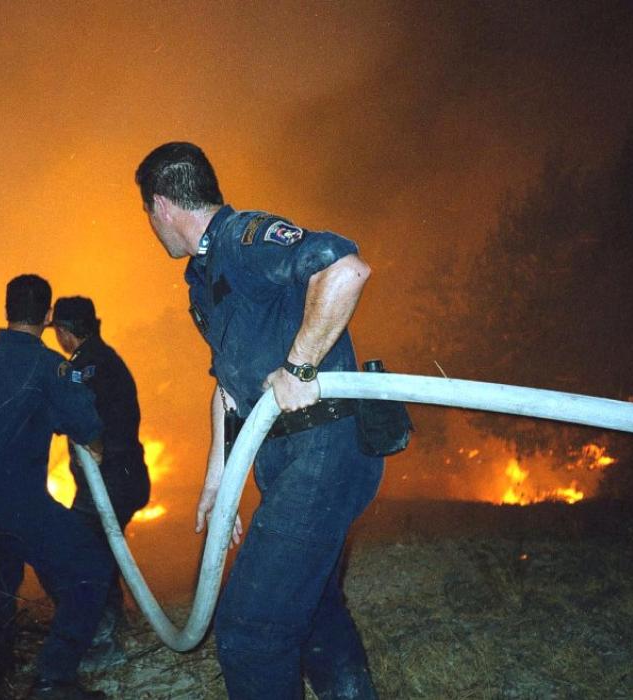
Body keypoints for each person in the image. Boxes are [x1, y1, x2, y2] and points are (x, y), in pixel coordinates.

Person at [134, 142, 384, 699]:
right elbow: (228, 389)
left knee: (250, 629)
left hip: (324, 446)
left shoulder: (243, 239)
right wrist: (217, 485)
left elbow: (346, 269)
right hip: (290, 458)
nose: (150, 227)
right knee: (313, 605)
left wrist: (300, 364)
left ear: (161, 206)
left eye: (147, 216)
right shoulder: (205, 275)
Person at [0, 274, 112, 699]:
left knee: (4, 568)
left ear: (7, 310)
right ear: (47, 317)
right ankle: (54, 680)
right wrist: (95, 448)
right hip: (18, 498)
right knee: (92, 568)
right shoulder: (50, 366)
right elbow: (85, 424)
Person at [49, 296, 152, 668]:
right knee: (101, 551)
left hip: (111, 483)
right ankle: (116, 625)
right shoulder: (104, 359)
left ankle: (103, 645)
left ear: (63, 332)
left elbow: (78, 418)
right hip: (121, 478)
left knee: (83, 556)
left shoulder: (85, 367)